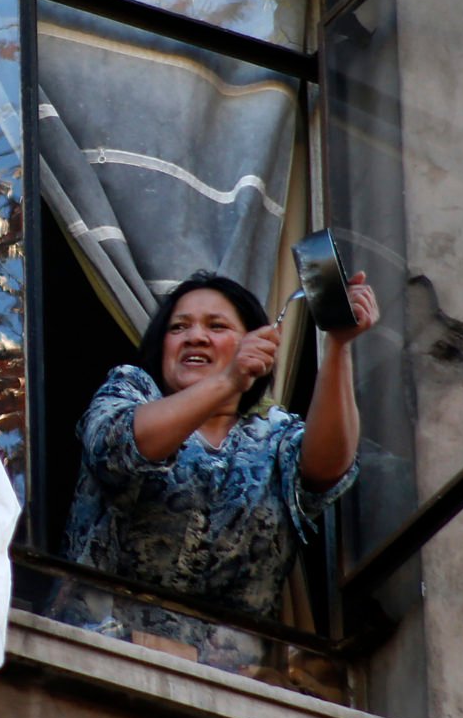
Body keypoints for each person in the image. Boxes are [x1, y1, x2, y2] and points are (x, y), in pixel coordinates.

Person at [53, 268, 379, 660]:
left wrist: (339, 345)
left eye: (217, 325)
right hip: (97, 664)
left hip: (232, 692)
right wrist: (228, 379)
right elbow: (118, 446)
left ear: (260, 345)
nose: (195, 336)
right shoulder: (132, 390)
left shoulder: (272, 436)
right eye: (179, 327)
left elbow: (328, 468)